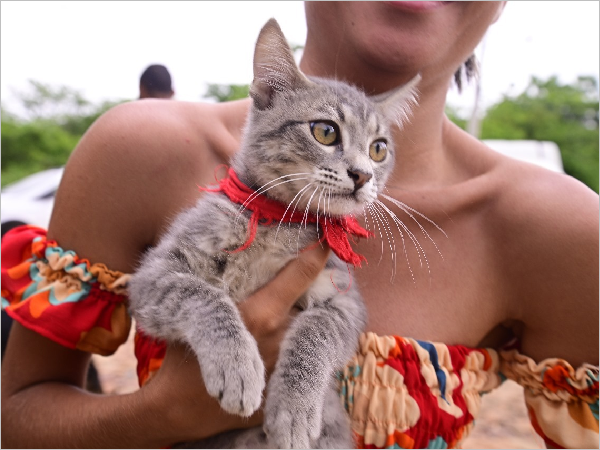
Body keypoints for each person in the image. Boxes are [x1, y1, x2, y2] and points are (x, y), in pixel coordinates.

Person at [2, 2, 598, 448]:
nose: (360, 172)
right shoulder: (139, 150)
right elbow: (17, 419)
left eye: (375, 153)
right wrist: (165, 413)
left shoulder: (565, 231)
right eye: (329, 135)